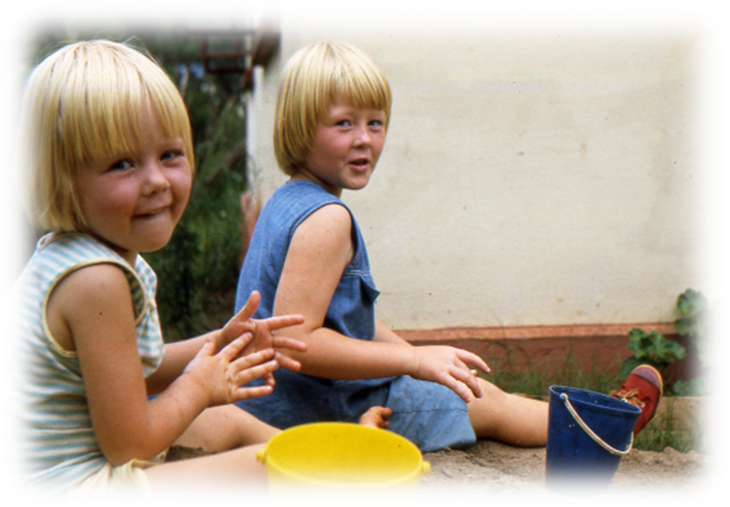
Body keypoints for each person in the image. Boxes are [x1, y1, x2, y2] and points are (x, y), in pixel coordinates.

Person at [5, 39, 390, 504]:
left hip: (95, 464)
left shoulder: (78, 257)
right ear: (61, 177)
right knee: (265, 470)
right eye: (122, 164)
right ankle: (335, 464)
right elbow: (130, 444)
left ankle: (339, 452)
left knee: (231, 421)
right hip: (77, 491)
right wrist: (199, 386)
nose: (157, 181)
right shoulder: (95, 281)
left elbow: (131, 376)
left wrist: (220, 342)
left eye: (169, 155)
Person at [233, 41, 663, 453]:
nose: (364, 138)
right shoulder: (328, 219)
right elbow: (294, 342)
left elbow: (340, 325)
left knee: (471, 387)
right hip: (325, 412)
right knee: (492, 405)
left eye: (375, 122)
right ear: (300, 129)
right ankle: (609, 425)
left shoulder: (284, 201)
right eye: (344, 123)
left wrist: (415, 355)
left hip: (274, 405)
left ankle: (597, 416)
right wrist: (414, 364)